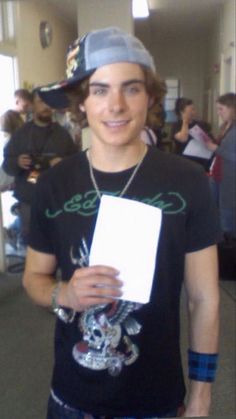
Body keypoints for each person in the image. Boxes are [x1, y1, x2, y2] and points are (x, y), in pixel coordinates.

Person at [23, 27, 220, 418]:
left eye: (131, 88)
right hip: (72, 400)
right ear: (81, 103)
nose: (116, 105)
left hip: (157, 401)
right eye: (99, 90)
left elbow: (204, 299)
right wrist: (64, 294)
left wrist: (201, 396)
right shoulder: (54, 185)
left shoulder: (187, 181)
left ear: (150, 97)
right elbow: (33, 278)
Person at [2, 90, 78, 247]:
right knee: (30, 240)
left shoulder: (63, 135)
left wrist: (63, 163)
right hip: (29, 198)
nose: (45, 106)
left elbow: (76, 163)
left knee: (57, 239)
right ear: (32, 106)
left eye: (48, 102)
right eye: (40, 102)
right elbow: (6, 166)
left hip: (57, 197)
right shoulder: (20, 135)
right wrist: (17, 162)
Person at [206, 93, 236, 239]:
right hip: (217, 173)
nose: (218, 113)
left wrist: (215, 148)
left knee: (227, 213)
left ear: (232, 108)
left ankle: (227, 245)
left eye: (221, 109)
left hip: (229, 178)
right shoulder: (225, 125)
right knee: (214, 210)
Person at [170, 97, 213, 171]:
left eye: (194, 109)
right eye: (191, 110)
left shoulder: (200, 124)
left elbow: (209, 141)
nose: (194, 112)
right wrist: (185, 121)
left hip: (201, 163)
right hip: (183, 162)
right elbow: (183, 138)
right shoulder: (176, 125)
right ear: (182, 112)